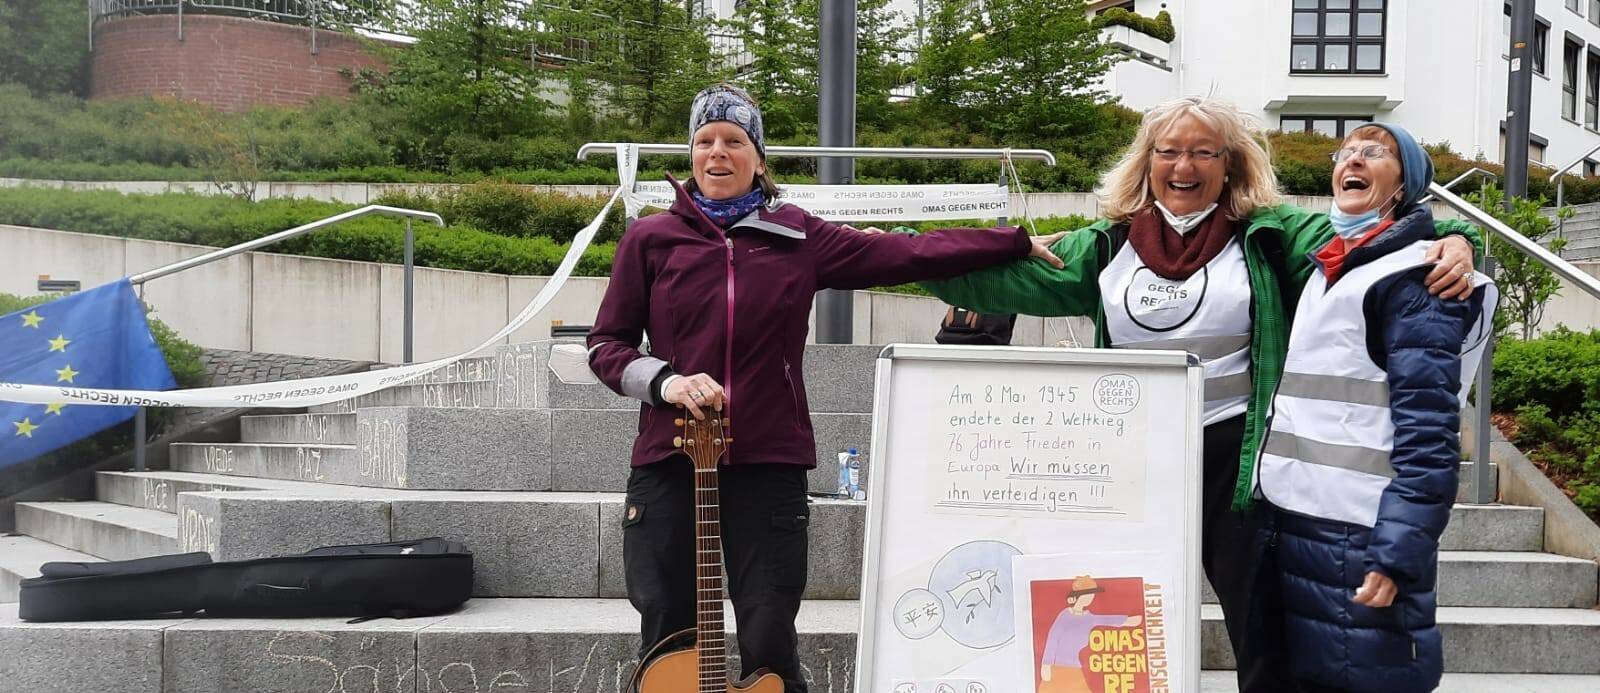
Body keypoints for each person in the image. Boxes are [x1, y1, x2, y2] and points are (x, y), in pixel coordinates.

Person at [911, 96, 1482, 692]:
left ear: (1230, 165)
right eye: (1169, 151)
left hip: (1234, 460)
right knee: (1112, 622)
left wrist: (1459, 238)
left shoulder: (1270, 235)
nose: (1184, 165)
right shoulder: (1107, 245)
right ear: (1147, 162)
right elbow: (1003, 275)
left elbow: (1384, 229)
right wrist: (881, 252)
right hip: (1131, 462)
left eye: (1203, 152)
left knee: (1259, 629)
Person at [585, 83, 1063, 692]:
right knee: (668, 630)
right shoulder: (651, 239)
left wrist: (1012, 241)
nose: (717, 154)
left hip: (769, 458)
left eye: (734, 141)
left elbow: (906, 253)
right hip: (669, 459)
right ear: (691, 155)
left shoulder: (798, 236)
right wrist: (667, 381)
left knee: (769, 629)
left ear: (760, 158)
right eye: (704, 141)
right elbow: (607, 346)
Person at [1251, 123, 1494, 693]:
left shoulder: (1417, 280)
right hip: (1301, 522)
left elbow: (1430, 433)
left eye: (1373, 153)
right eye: (1345, 153)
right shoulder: (1331, 266)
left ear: (1405, 182)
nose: (1351, 161)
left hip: (1360, 535)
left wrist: (1397, 554)